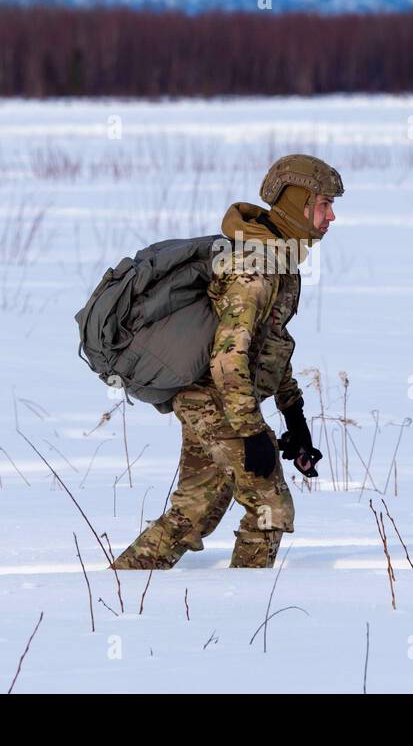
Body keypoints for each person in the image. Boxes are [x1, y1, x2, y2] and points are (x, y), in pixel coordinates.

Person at [110, 154, 343, 569]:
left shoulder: (280, 260)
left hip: (211, 398)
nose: (332, 216)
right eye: (324, 204)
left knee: (195, 510)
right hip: (214, 397)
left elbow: (268, 344)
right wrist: (252, 433)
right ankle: (249, 608)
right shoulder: (255, 267)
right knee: (270, 505)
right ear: (298, 202)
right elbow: (228, 358)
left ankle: (122, 584)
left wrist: (294, 414)